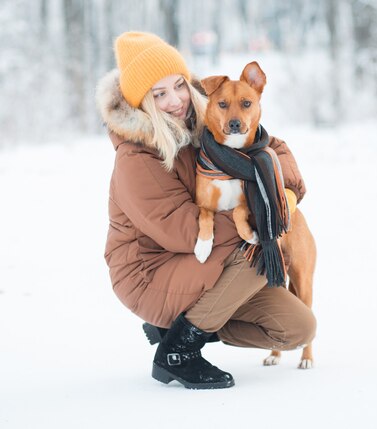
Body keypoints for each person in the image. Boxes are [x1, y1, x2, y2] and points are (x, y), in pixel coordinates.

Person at [95, 31, 316, 390]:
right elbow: (182, 231)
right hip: (150, 271)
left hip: (206, 266)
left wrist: (285, 195)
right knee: (261, 248)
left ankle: (188, 322)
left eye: (180, 85)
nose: (176, 100)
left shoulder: (205, 116)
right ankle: (177, 351)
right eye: (159, 94)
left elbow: (272, 147)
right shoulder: (135, 156)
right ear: (141, 102)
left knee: (298, 328)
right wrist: (258, 214)